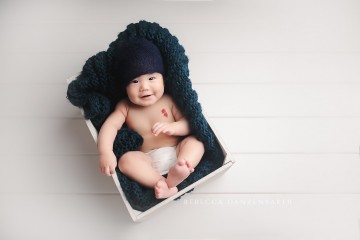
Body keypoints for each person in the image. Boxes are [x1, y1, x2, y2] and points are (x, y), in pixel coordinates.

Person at [97, 38, 205, 199]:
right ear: (125, 87)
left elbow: (189, 124)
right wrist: (105, 152)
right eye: (134, 81)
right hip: (148, 160)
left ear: (163, 78)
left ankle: (181, 168)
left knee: (196, 142)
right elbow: (110, 126)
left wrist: (174, 127)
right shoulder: (125, 107)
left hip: (177, 151)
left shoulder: (168, 100)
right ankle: (163, 183)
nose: (144, 87)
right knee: (126, 161)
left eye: (151, 78)